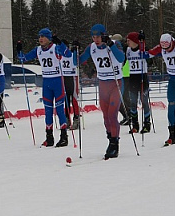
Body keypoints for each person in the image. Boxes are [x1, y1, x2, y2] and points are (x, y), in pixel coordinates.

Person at [78, 24, 126, 158]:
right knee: (105, 116)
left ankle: (114, 143)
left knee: (112, 114)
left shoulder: (115, 44)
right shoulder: (92, 47)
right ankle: (110, 139)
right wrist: (71, 51)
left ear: (104, 35)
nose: (96, 39)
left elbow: (122, 59)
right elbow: (79, 60)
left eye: (98, 36)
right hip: (103, 83)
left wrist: (110, 45)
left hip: (116, 82)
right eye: (93, 37)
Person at [18, 28, 70, 148]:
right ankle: (49, 137)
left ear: (49, 38)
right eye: (39, 36)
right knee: (47, 111)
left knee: (59, 110)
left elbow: (68, 54)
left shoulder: (55, 48)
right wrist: (19, 50)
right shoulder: (38, 50)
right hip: (46, 82)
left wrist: (60, 43)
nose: (40, 39)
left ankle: (64, 137)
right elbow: (23, 59)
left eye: (43, 36)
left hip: (57, 81)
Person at [125, 31, 152, 133]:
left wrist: (143, 46)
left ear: (135, 41)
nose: (127, 42)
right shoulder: (127, 50)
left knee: (144, 101)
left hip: (142, 77)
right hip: (132, 78)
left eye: (129, 40)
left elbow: (150, 61)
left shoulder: (143, 49)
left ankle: (147, 124)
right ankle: (135, 125)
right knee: (133, 102)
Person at [61, 39, 81, 130]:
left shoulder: (72, 53)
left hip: (73, 77)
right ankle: (67, 119)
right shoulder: (59, 54)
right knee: (66, 100)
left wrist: (77, 49)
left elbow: (78, 60)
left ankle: (76, 119)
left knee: (74, 99)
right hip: (64, 77)